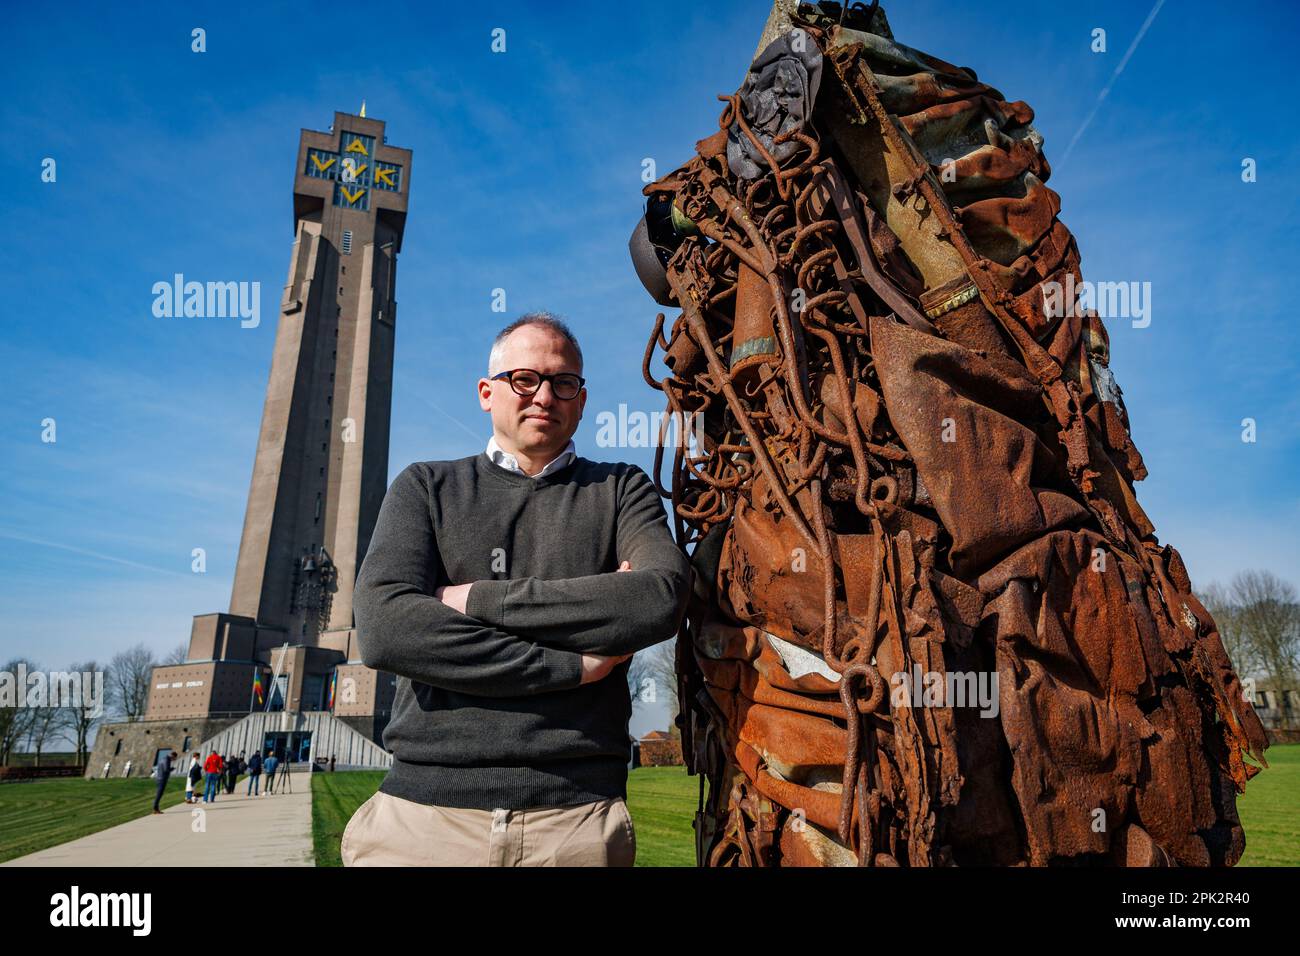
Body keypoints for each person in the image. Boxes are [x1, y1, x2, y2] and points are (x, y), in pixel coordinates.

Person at [343, 313, 690, 866]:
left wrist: (473, 600)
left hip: (575, 822)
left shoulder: (622, 489)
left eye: (563, 382)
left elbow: (657, 600)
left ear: (581, 399)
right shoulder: (425, 487)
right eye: (524, 379)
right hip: (424, 819)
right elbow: (386, 631)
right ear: (487, 392)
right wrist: (573, 665)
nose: (544, 395)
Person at [152, 749, 177, 814]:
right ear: (173, 756)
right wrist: (172, 769)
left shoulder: (163, 758)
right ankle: (155, 808)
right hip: (162, 779)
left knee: (159, 794)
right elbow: (166, 769)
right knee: (159, 794)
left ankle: (156, 808)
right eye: (174, 758)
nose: (173, 760)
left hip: (159, 778)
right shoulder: (167, 759)